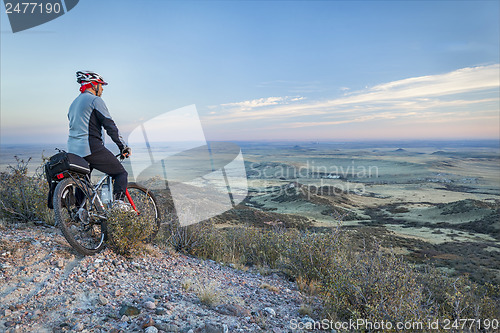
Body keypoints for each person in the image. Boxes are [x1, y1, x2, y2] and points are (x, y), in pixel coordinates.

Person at [67, 70, 131, 205]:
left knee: (83, 183)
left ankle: (79, 214)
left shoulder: (73, 104)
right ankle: (119, 206)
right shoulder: (95, 100)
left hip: (73, 150)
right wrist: (123, 146)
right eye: (101, 85)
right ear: (93, 85)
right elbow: (110, 125)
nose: (102, 89)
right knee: (121, 174)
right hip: (91, 147)